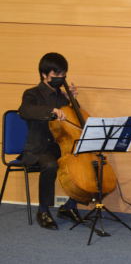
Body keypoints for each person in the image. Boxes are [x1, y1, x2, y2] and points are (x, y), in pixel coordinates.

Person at [18, 52, 84, 230]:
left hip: (59, 146)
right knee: (51, 165)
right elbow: (25, 110)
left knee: (86, 164)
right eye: (56, 75)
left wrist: (73, 102)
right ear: (44, 75)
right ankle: (43, 211)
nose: (60, 78)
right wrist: (51, 110)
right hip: (39, 148)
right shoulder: (32, 93)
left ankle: (69, 207)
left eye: (63, 75)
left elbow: (74, 122)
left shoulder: (63, 96)